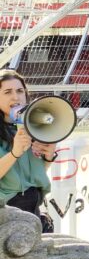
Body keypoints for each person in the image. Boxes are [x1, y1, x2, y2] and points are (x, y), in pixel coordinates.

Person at [0, 70, 58, 217]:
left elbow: (36, 174)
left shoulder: (34, 128)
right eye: (7, 92)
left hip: (33, 204)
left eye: (20, 91)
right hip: (6, 210)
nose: (15, 97)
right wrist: (15, 153)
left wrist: (48, 157)